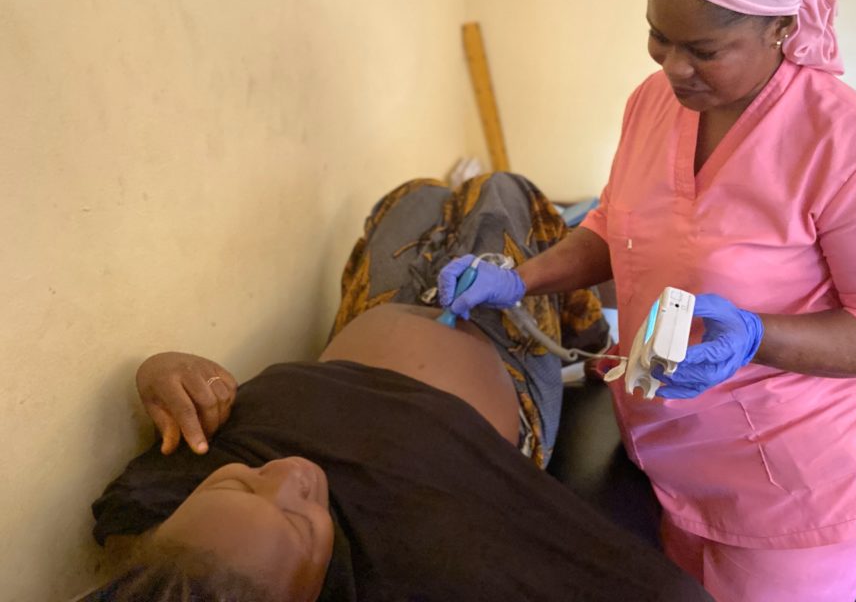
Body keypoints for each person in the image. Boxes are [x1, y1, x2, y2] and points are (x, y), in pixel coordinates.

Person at [439, 0, 856, 601]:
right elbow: (615, 226)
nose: (672, 67)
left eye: (705, 49)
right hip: (672, 457)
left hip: (798, 487)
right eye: (658, 36)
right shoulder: (653, 106)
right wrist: (521, 279)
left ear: (781, 27)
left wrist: (754, 337)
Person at [83, 173, 710, 602]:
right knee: (503, 196)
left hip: (372, 316)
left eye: (239, 480)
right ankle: (586, 330)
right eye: (300, 519)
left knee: (411, 198)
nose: (290, 471)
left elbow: (150, 460)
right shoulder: (425, 563)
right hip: (500, 355)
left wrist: (163, 370)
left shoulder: (156, 541)